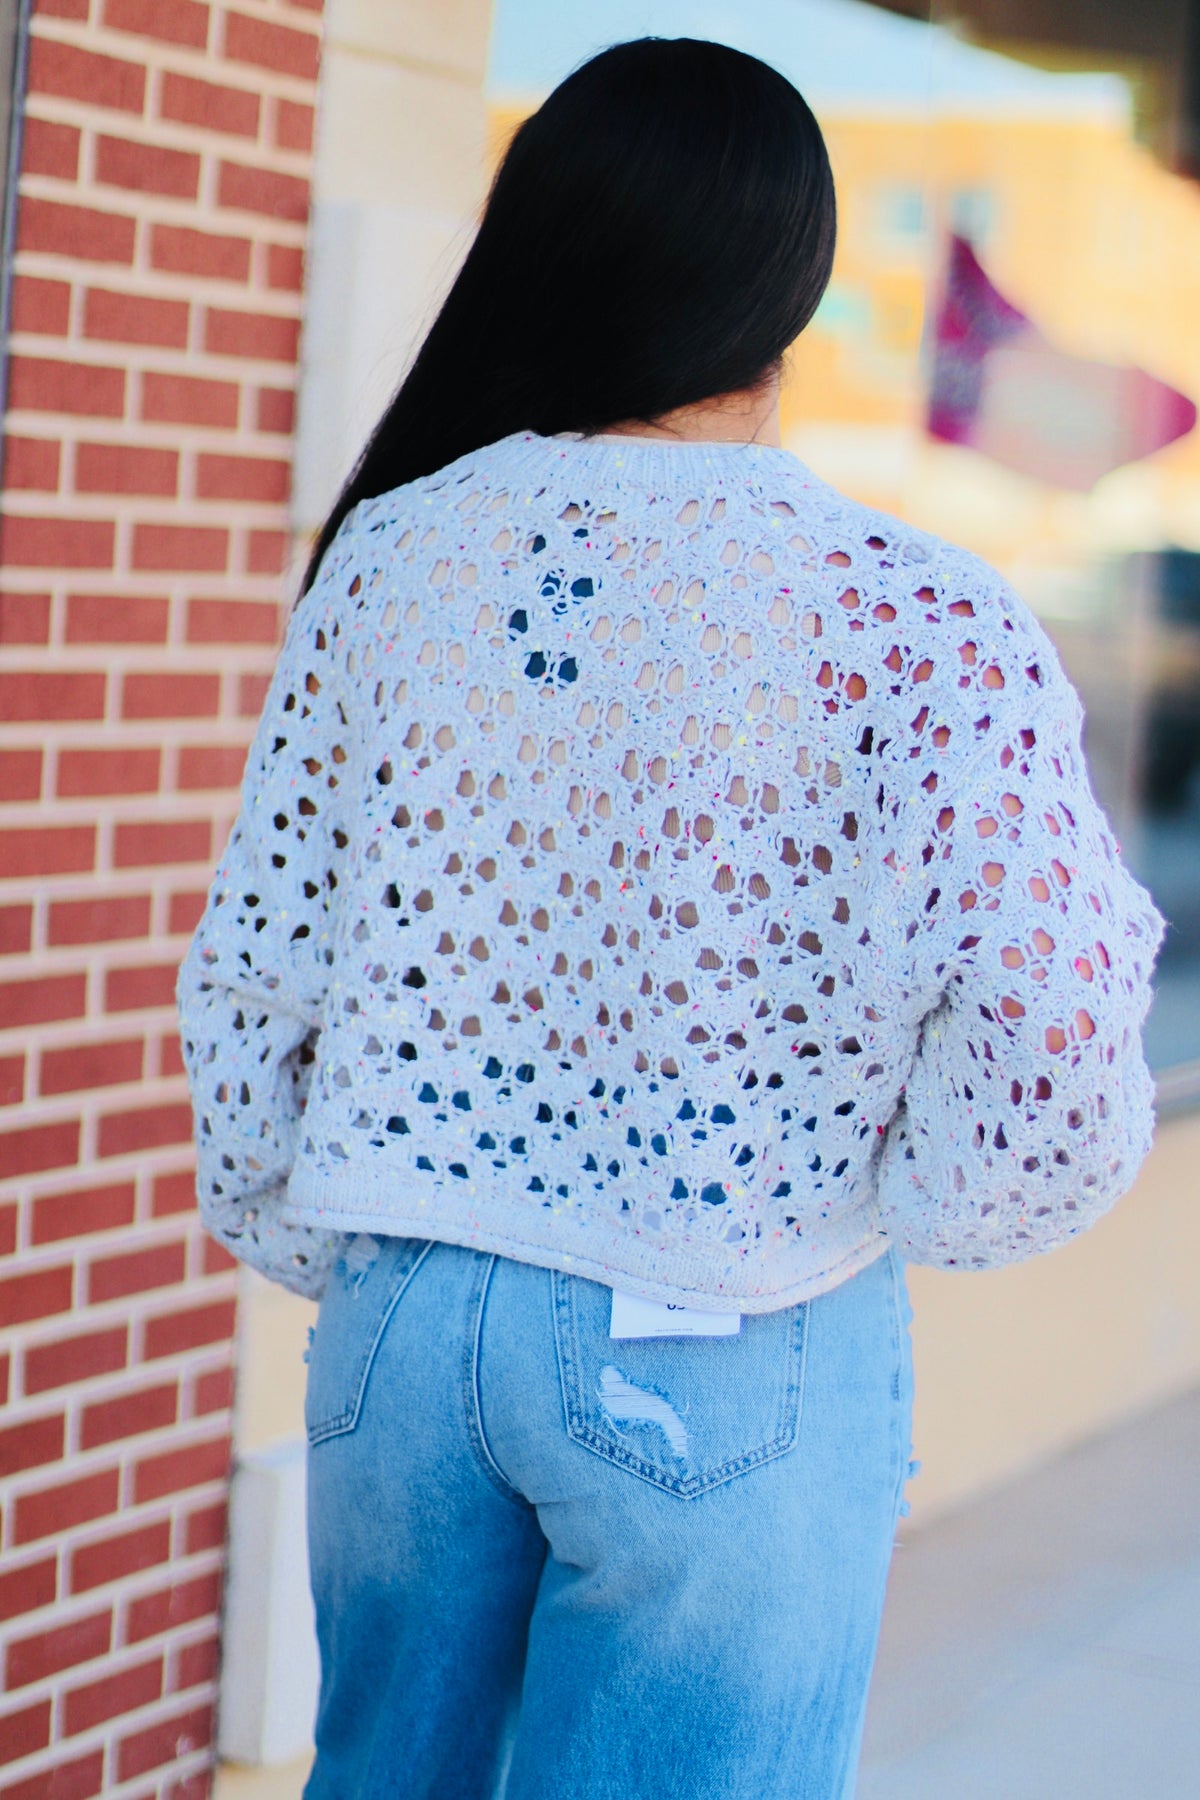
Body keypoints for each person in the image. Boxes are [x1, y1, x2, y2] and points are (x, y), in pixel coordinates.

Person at [176, 37, 1165, 1800]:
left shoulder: (392, 561)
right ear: (792, 288)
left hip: (404, 1327)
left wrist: (371, 1240)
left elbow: (260, 975)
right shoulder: (915, 613)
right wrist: (898, 1207)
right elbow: (1061, 1031)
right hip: (729, 1333)